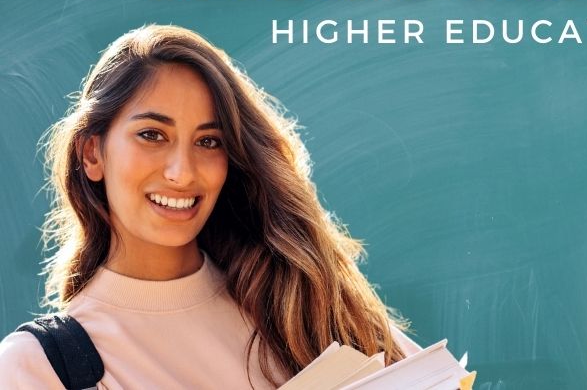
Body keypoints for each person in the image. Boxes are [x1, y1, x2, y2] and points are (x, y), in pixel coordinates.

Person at [0, 24, 419, 388]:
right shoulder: (42, 368)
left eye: (208, 142)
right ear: (92, 153)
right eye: (152, 135)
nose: (182, 173)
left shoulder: (304, 303)